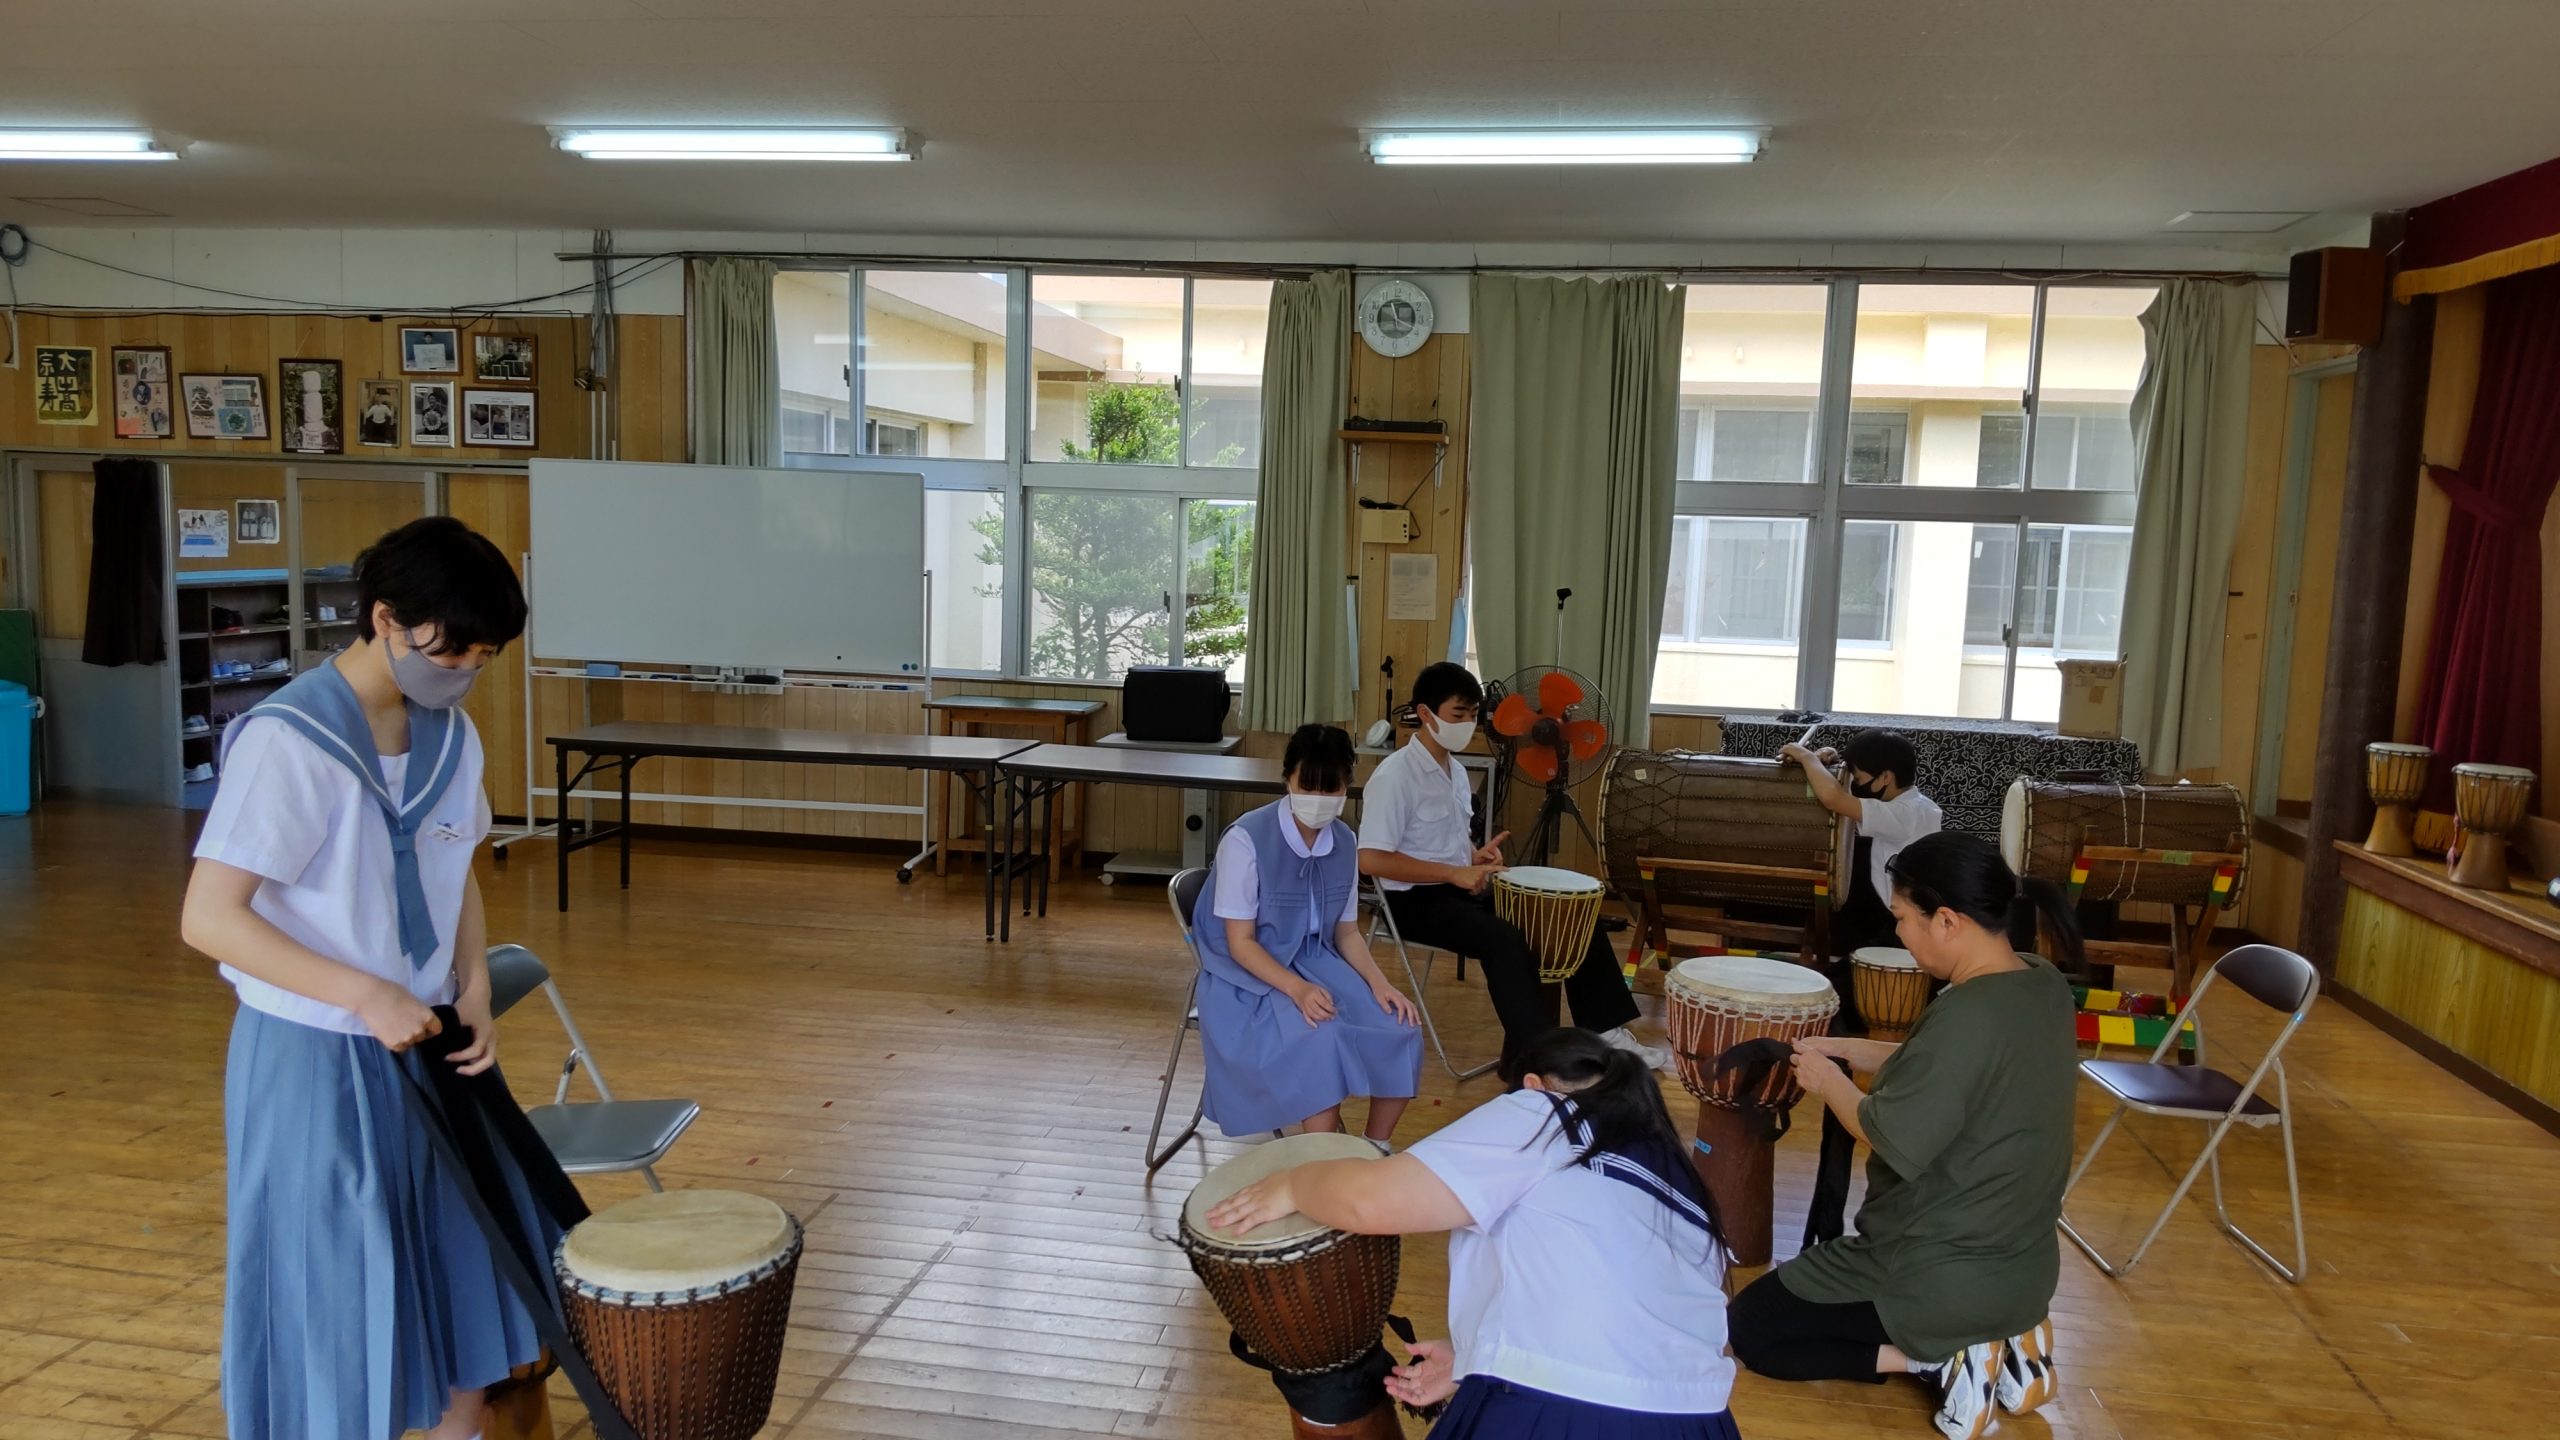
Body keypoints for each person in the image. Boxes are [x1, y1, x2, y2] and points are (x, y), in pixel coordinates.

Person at [180, 516, 542, 1440]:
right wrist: (364, 992)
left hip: (432, 1044)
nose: (465, 669)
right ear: (385, 619)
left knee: (463, 1279)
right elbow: (209, 917)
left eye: (484, 656)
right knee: (335, 1295)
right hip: (316, 1058)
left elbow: (455, 870)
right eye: (453, 649)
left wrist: (470, 985)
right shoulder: (288, 740)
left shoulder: (451, 735)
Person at [1206, 1028, 1741, 1438]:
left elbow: (1368, 1200)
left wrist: (1294, 1183)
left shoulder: (1544, 1111)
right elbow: (1612, 1306)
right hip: (1701, 1422)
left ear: (1531, 1085)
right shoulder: (1681, 1184)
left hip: (1566, 1411)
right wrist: (1475, 1358)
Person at [1727, 831, 2080, 1440]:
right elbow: (1949, 1070)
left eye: (1902, 917)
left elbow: (1886, 1132)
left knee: (1752, 1328)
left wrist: (1827, 1082)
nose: (1898, 932)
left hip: (1936, 1272)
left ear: (1947, 920)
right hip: (2024, 1269)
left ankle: (1940, 1359)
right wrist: (1845, 1049)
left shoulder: (1967, 1014)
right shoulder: (2040, 982)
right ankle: (2012, 1342)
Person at [1358, 661, 1666, 1070]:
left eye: (1473, 715)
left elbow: (1438, 841)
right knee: (1504, 940)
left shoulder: (1454, 771)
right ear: (1425, 713)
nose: (1467, 724)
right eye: (1457, 714)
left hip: (1457, 889)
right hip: (1412, 903)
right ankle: (1535, 1062)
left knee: (1569, 914)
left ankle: (1605, 1032)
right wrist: (1453, 872)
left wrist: (1473, 856)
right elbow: (1371, 859)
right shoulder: (1395, 775)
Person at [1194, 723, 1424, 1146]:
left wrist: (1380, 984)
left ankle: (1374, 1149)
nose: (1318, 798)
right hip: (1248, 974)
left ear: (1347, 785)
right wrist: (1298, 989)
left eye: (1330, 788)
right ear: (1287, 779)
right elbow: (1240, 944)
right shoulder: (1246, 839)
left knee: (1401, 1027)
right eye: (1307, 786)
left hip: (1315, 960)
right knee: (1322, 1037)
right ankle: (1320, 1162)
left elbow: (1347, 931)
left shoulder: (1345, 841)